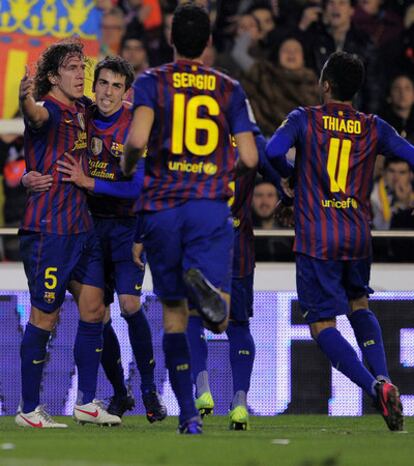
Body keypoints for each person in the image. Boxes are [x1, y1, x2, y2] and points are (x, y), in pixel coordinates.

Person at [122, 3, 258, 434]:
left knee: (174, 316)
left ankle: (188, 417)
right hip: (209, 208)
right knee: (221, 318)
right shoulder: (229, 87)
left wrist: (128, 166)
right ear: (210, 43)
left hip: (162, 208)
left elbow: (138, 138)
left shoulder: (150, 81)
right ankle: (206, 289)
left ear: (170, 39)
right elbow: (251, 156)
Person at [266, 51, 413, 431]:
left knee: (322, 325)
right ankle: (384, 379)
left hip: (318, 237)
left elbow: (272, 151)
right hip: (358, 234)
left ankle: (373, 386)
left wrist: (292, 182)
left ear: (326, 85)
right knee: (359, 303)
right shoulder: (374, 125)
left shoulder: (304, 118)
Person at [55, 56, 167, 423]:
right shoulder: (82, 116)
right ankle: (120, 393)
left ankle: (150, 391)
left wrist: (90, 183)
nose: (107, 91)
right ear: (94, 84)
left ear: (126, 91)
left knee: (131, 304)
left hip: (127, 227)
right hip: (89, 227)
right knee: (97, 313)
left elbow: (138, 185)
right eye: (102, 83)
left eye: (116, 86)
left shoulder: (136, 122)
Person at [16, 40, 121, 428]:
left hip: (83, 229)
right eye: (73, 68)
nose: (81, 75)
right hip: (49, 231)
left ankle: (87, 403)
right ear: (53, 76)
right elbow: (34, 115)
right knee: (46, 316)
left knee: (95, 308)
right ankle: (28, 410)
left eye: (83, 67)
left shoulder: (83, 111)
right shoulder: (47, 109)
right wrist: (24, 98)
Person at [186, 129, 290, 430]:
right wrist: (287, 198)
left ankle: (202, 387)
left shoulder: (191, 131)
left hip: (199, 241)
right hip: (238, 248)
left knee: (192, 317)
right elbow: (277, 172)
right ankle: (240, 402)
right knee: (239, 326)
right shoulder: (250, 138)